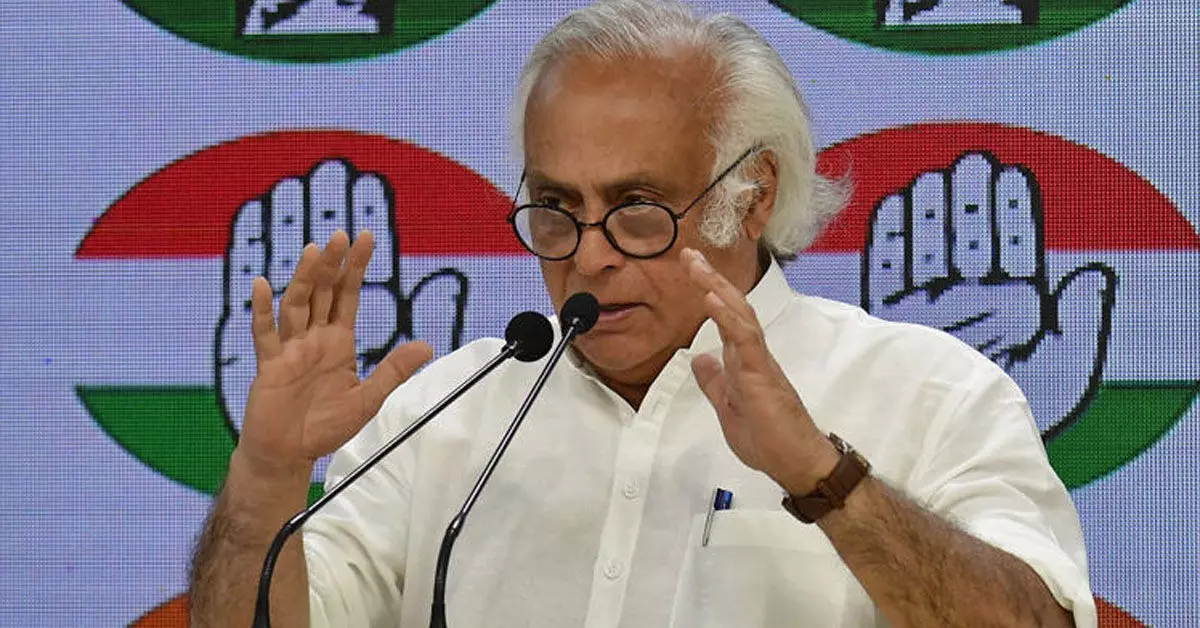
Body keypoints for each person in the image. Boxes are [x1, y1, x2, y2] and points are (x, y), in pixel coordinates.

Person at [189, 1, 1096, 626]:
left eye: (636, 209)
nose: (589, 256)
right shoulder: (444, 414)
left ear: (750, 194)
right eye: (556, 208)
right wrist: (267, 477)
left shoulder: (927, 393)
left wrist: (822, 479)